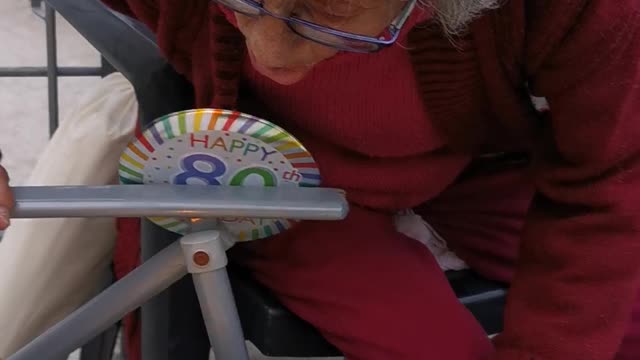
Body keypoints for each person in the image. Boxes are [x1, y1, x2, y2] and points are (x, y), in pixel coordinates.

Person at [3, 0, 640, 359]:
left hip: (477, 165)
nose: (271, 57)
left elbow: (609, 184)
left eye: (328, 15)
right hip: (284, 180)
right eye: (243, 3)